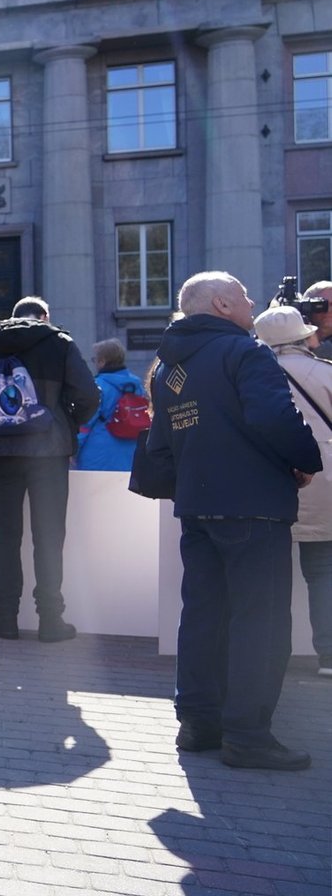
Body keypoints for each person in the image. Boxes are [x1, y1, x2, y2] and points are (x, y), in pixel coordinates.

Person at [148, 274, 321, 771]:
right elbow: (273, 416)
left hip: (197, 507)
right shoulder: (244, 353)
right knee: (260, 622)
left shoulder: (168, 366)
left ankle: (199, 723)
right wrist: (305, 459)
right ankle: (248, 735)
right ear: (222, 304)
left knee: (203, 615)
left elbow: (160, 442)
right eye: (244, 296)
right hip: (253, 504)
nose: (251, 302)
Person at [0, 296, 99, 643]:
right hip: (48, 454)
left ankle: (4, 617)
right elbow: (89, 396)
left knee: (5, 537)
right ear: (45, 316)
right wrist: (63, 424)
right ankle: (51, 620)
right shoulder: (59, 343)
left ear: (12, 318)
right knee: (49, 537)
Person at [252, 306, 332, 679]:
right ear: (304, 337)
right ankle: (329, 656)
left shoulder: (250, 373)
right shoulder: (325, 372)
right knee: (323, 571)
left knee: (267, 574)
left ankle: (266, 658)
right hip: (324, 482)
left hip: (269, 480)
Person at [75, 339, 147, 472]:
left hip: (97, 454)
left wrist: (74, 448)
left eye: (94, 359)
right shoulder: (136, 385)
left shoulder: (98, 386)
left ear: (102, 361)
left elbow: (86, 422)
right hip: (130, 452)